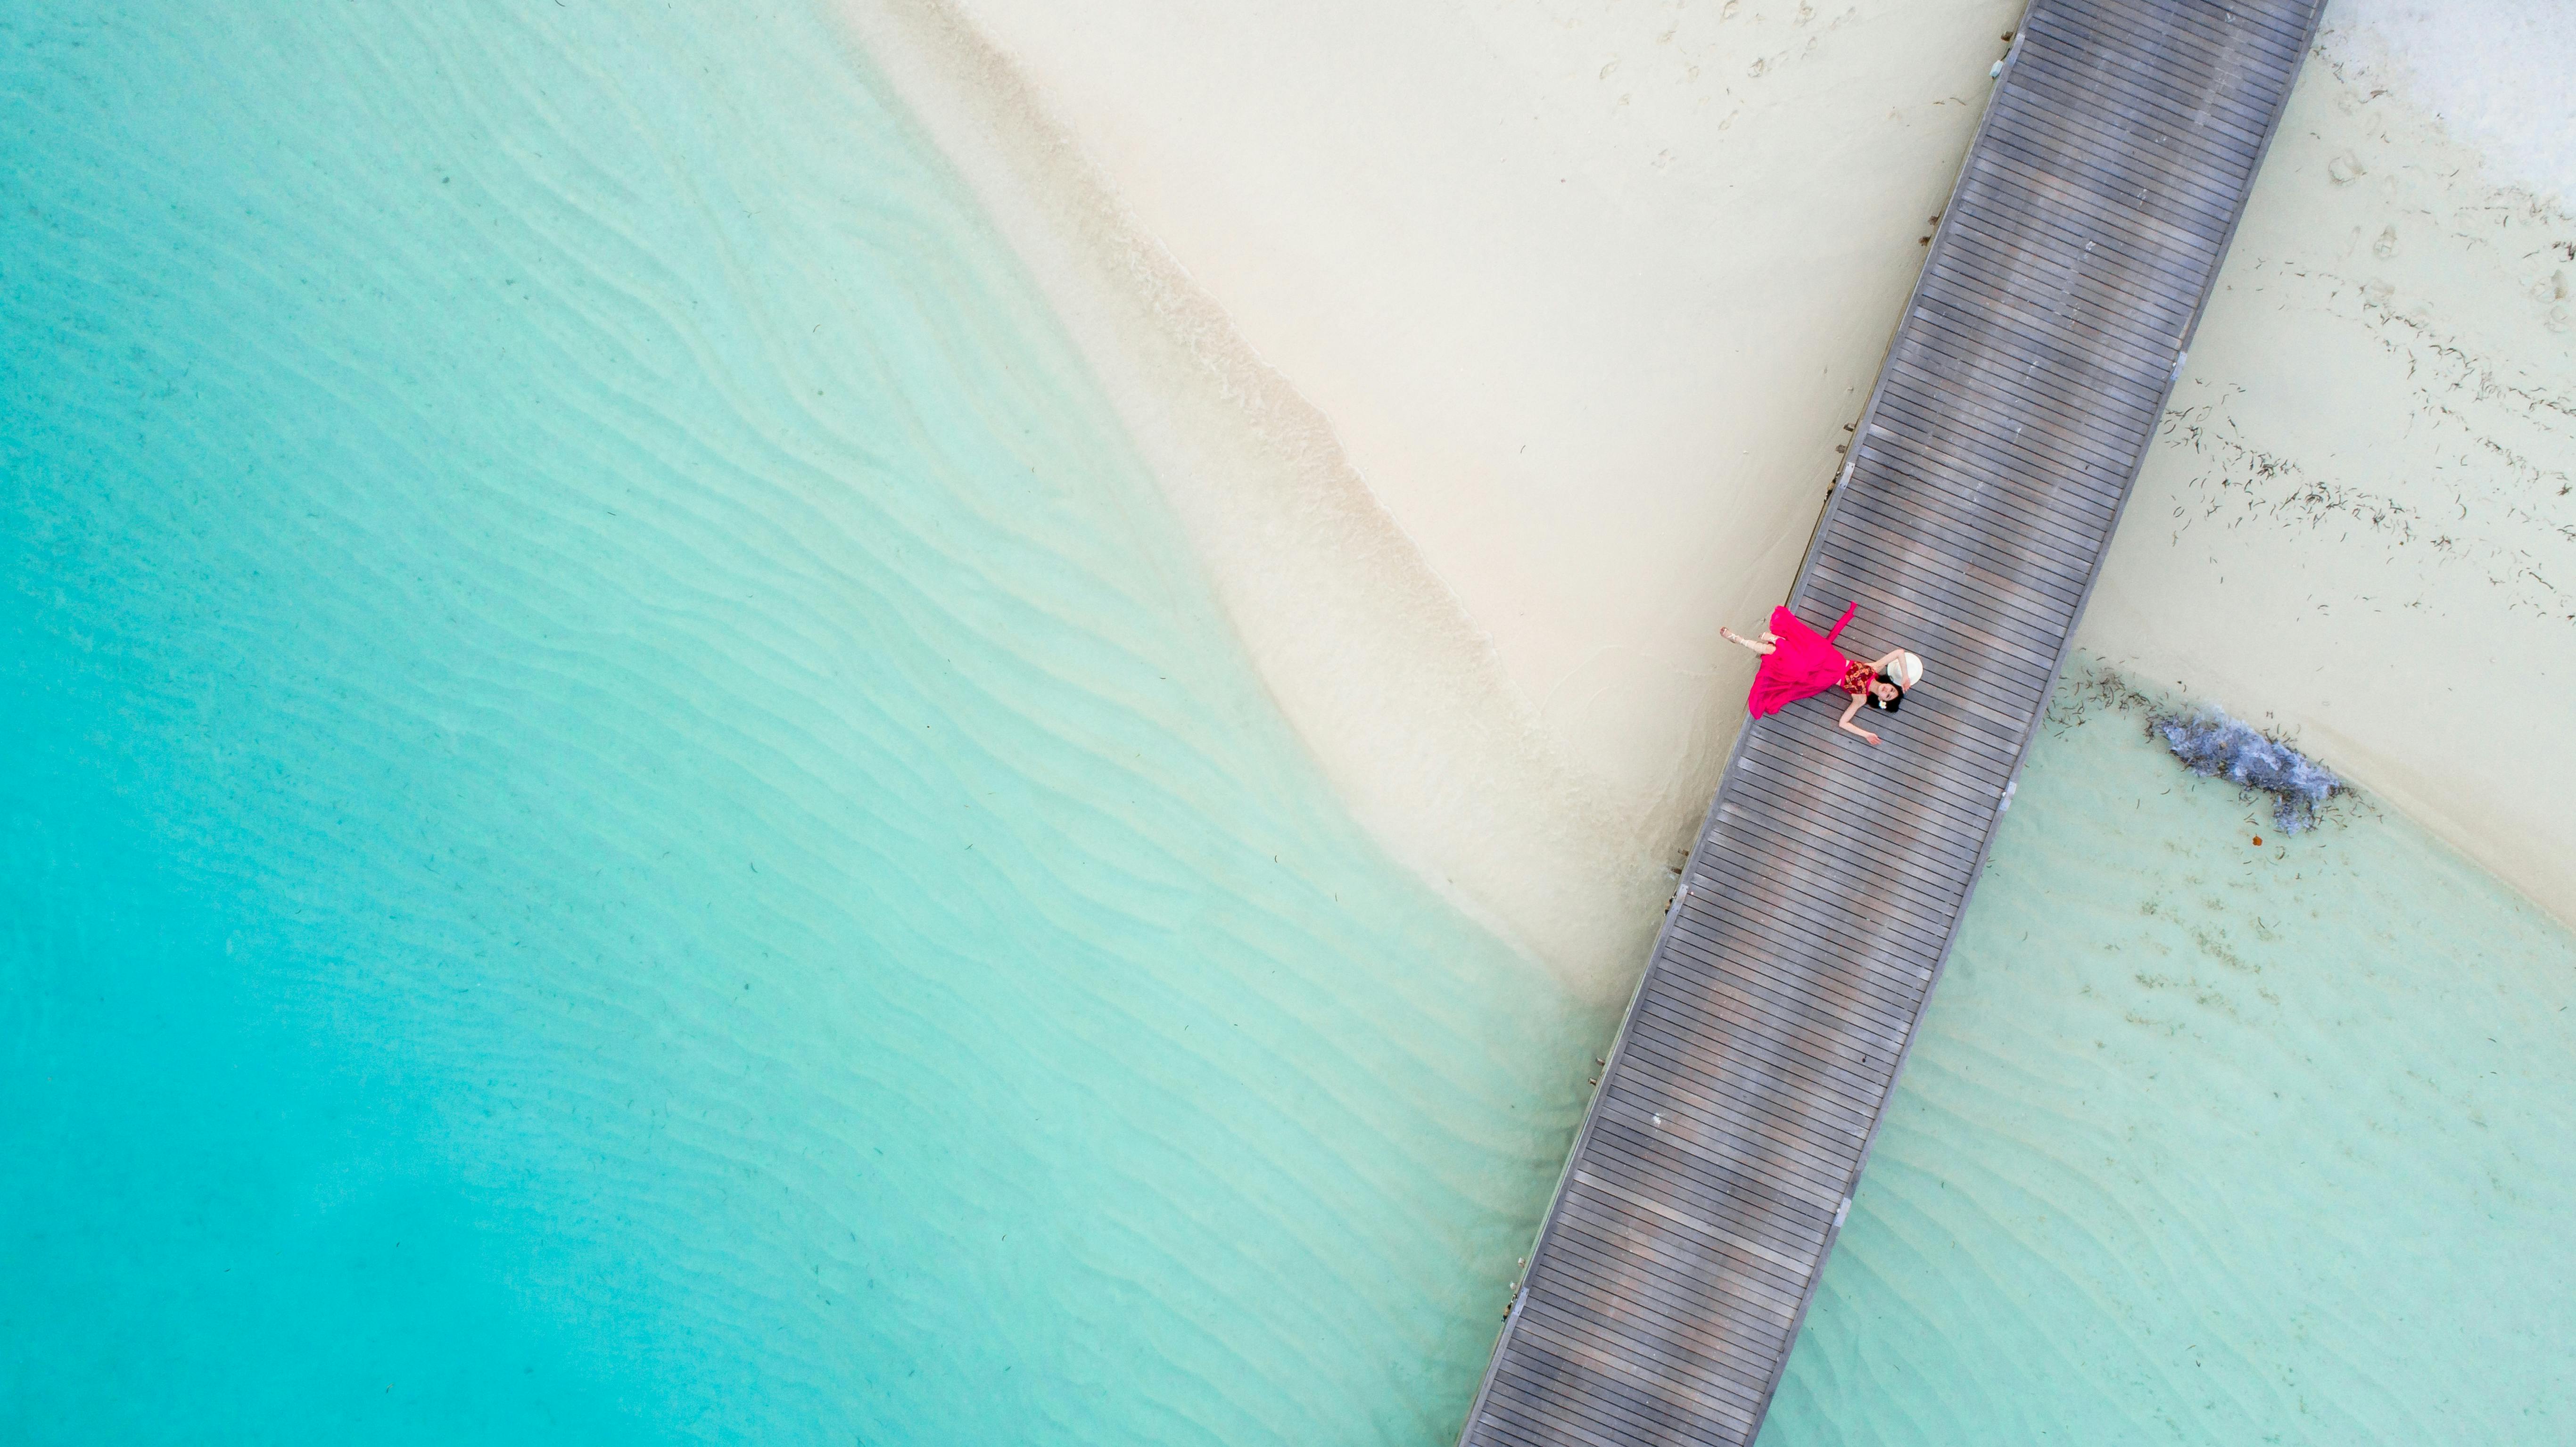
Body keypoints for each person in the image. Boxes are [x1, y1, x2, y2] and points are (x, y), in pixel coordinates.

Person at [1718, 602, 1924, 746]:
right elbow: (1899, 653)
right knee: (1800, 656)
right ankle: (1767, 640)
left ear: (1882, 699)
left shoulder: (1860, 699)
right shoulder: (1875, 668)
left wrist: (1866, 734)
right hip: (1827, 658)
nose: (1888, 691)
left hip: (1821, 677)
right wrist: (1905, 677)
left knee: (1792, 664)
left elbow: (1843, 723)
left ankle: (1739, 640)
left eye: (1888, 695)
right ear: (1890, 684)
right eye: (1892, 689)